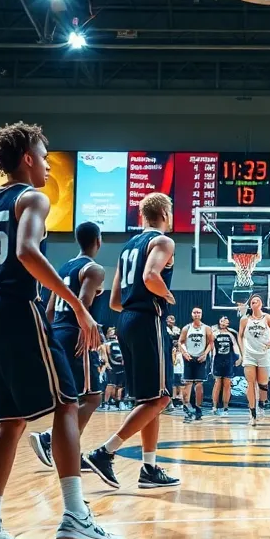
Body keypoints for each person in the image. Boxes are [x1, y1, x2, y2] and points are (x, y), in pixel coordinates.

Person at [0, 121, 118, 539]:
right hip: (15, 309)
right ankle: (76, 513)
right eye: (43, 154)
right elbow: (25, 252)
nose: (45, 163)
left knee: (12, 421)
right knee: (67, 404)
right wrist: (77, 306)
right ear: (26, 158)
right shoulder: (32, 197)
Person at [85, 193, 182, 491]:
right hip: (147, 319)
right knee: (164, 396)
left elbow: (114, 301)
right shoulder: (163, 242)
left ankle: (149, 468)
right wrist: (165, 295)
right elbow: (152, 275)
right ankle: (105, 452)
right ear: (165, 213)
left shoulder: (128, 247)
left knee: (149, 400)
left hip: (125, 320)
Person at [31, 221, 107, 467]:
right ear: (98, 241)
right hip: (77, 332)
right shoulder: (94, 269)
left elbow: (50, 308)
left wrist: (50, 338)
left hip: (59, 332)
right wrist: (84, 332)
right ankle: (52, 440)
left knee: (71, 399)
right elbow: (82, 301)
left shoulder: (64, 267)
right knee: (92, 398)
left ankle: (67, 450)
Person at [238, 295, 270, 427]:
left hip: (264, 355)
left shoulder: (267, 318)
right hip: (250, 355)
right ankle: (252, 414)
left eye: (256, 301)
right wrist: (242, 352)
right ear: (250, 305)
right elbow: (240, 336)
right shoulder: (245, 320)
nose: (254, 303)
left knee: (262, 384)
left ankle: (261, 404)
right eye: (252, 302)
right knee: (251, 383)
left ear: (261, 304)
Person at [178, 307, 213, 422]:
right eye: (195, 312)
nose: (197, 314)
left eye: (199, 312)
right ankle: (186, 406)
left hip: (200, 358)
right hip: (189, 358)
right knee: (187, 383)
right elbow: (181, 342)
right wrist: (184, 353)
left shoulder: (206, 328)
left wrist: (205, 354)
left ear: (201, 314)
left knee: (199, 384)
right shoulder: (186, 328)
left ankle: (198, 408)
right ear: (192, 314)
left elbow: (211, 343)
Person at [210, 315, 239, 416]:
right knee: (217, 383)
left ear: (228, 323)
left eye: (225, 321)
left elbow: (235, 345)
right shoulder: (214, 333)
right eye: (221, 320)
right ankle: (214, 406)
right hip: (217, 360)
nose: (223, 322)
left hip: (228, 361)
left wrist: (238, 357)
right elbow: (210, 345)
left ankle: (225, 407)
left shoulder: (231, 334)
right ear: (219, 322)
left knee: (227, 384)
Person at [101, 327, 125, 410]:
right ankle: (106, 403)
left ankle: (119, 402)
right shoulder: (106, 344)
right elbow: (106, 354)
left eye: (113, 332)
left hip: (121, 365)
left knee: (120, 386)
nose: (112, 333)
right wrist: (107, 363)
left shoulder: (120, 342)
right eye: (110, 331)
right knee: (110, 384)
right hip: (112, 365)